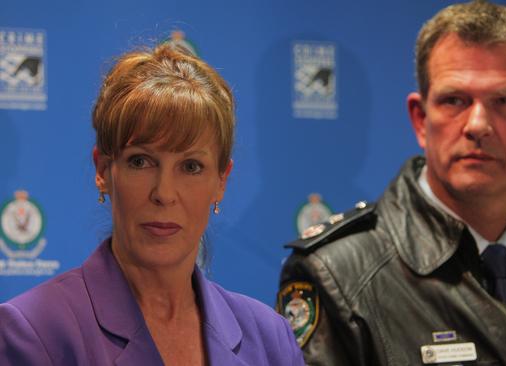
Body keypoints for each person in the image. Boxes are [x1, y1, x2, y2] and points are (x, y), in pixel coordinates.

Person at [277, 1, 506, 365]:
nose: (477, 125)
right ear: (421, 120)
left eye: (503, 100)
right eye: (455, 100)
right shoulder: (340, 276)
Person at [0, 44, 304, 366]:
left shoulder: (271, 339)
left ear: (221, 182)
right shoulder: (33, 331)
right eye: (141, 161)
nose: (164, 193)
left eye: (190, 167)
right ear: (103, 170)